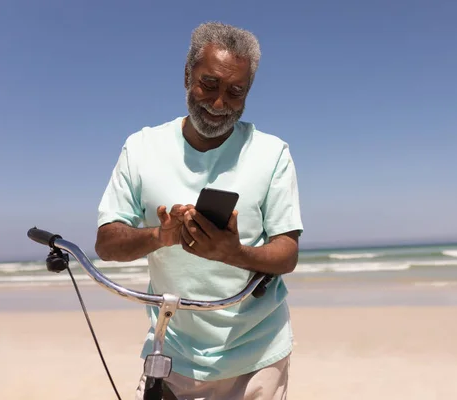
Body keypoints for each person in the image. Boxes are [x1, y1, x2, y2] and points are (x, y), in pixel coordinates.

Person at [94, 21, 303, 400]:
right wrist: (161, 236)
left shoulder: (272, 154)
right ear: (187, 75)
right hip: (171, 352)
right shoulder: (141, 148)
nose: (219, 103)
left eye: (235, 92)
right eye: (209, 84)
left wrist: (234, 254)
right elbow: (107, 243)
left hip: (258, 356)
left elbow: (287, 252)